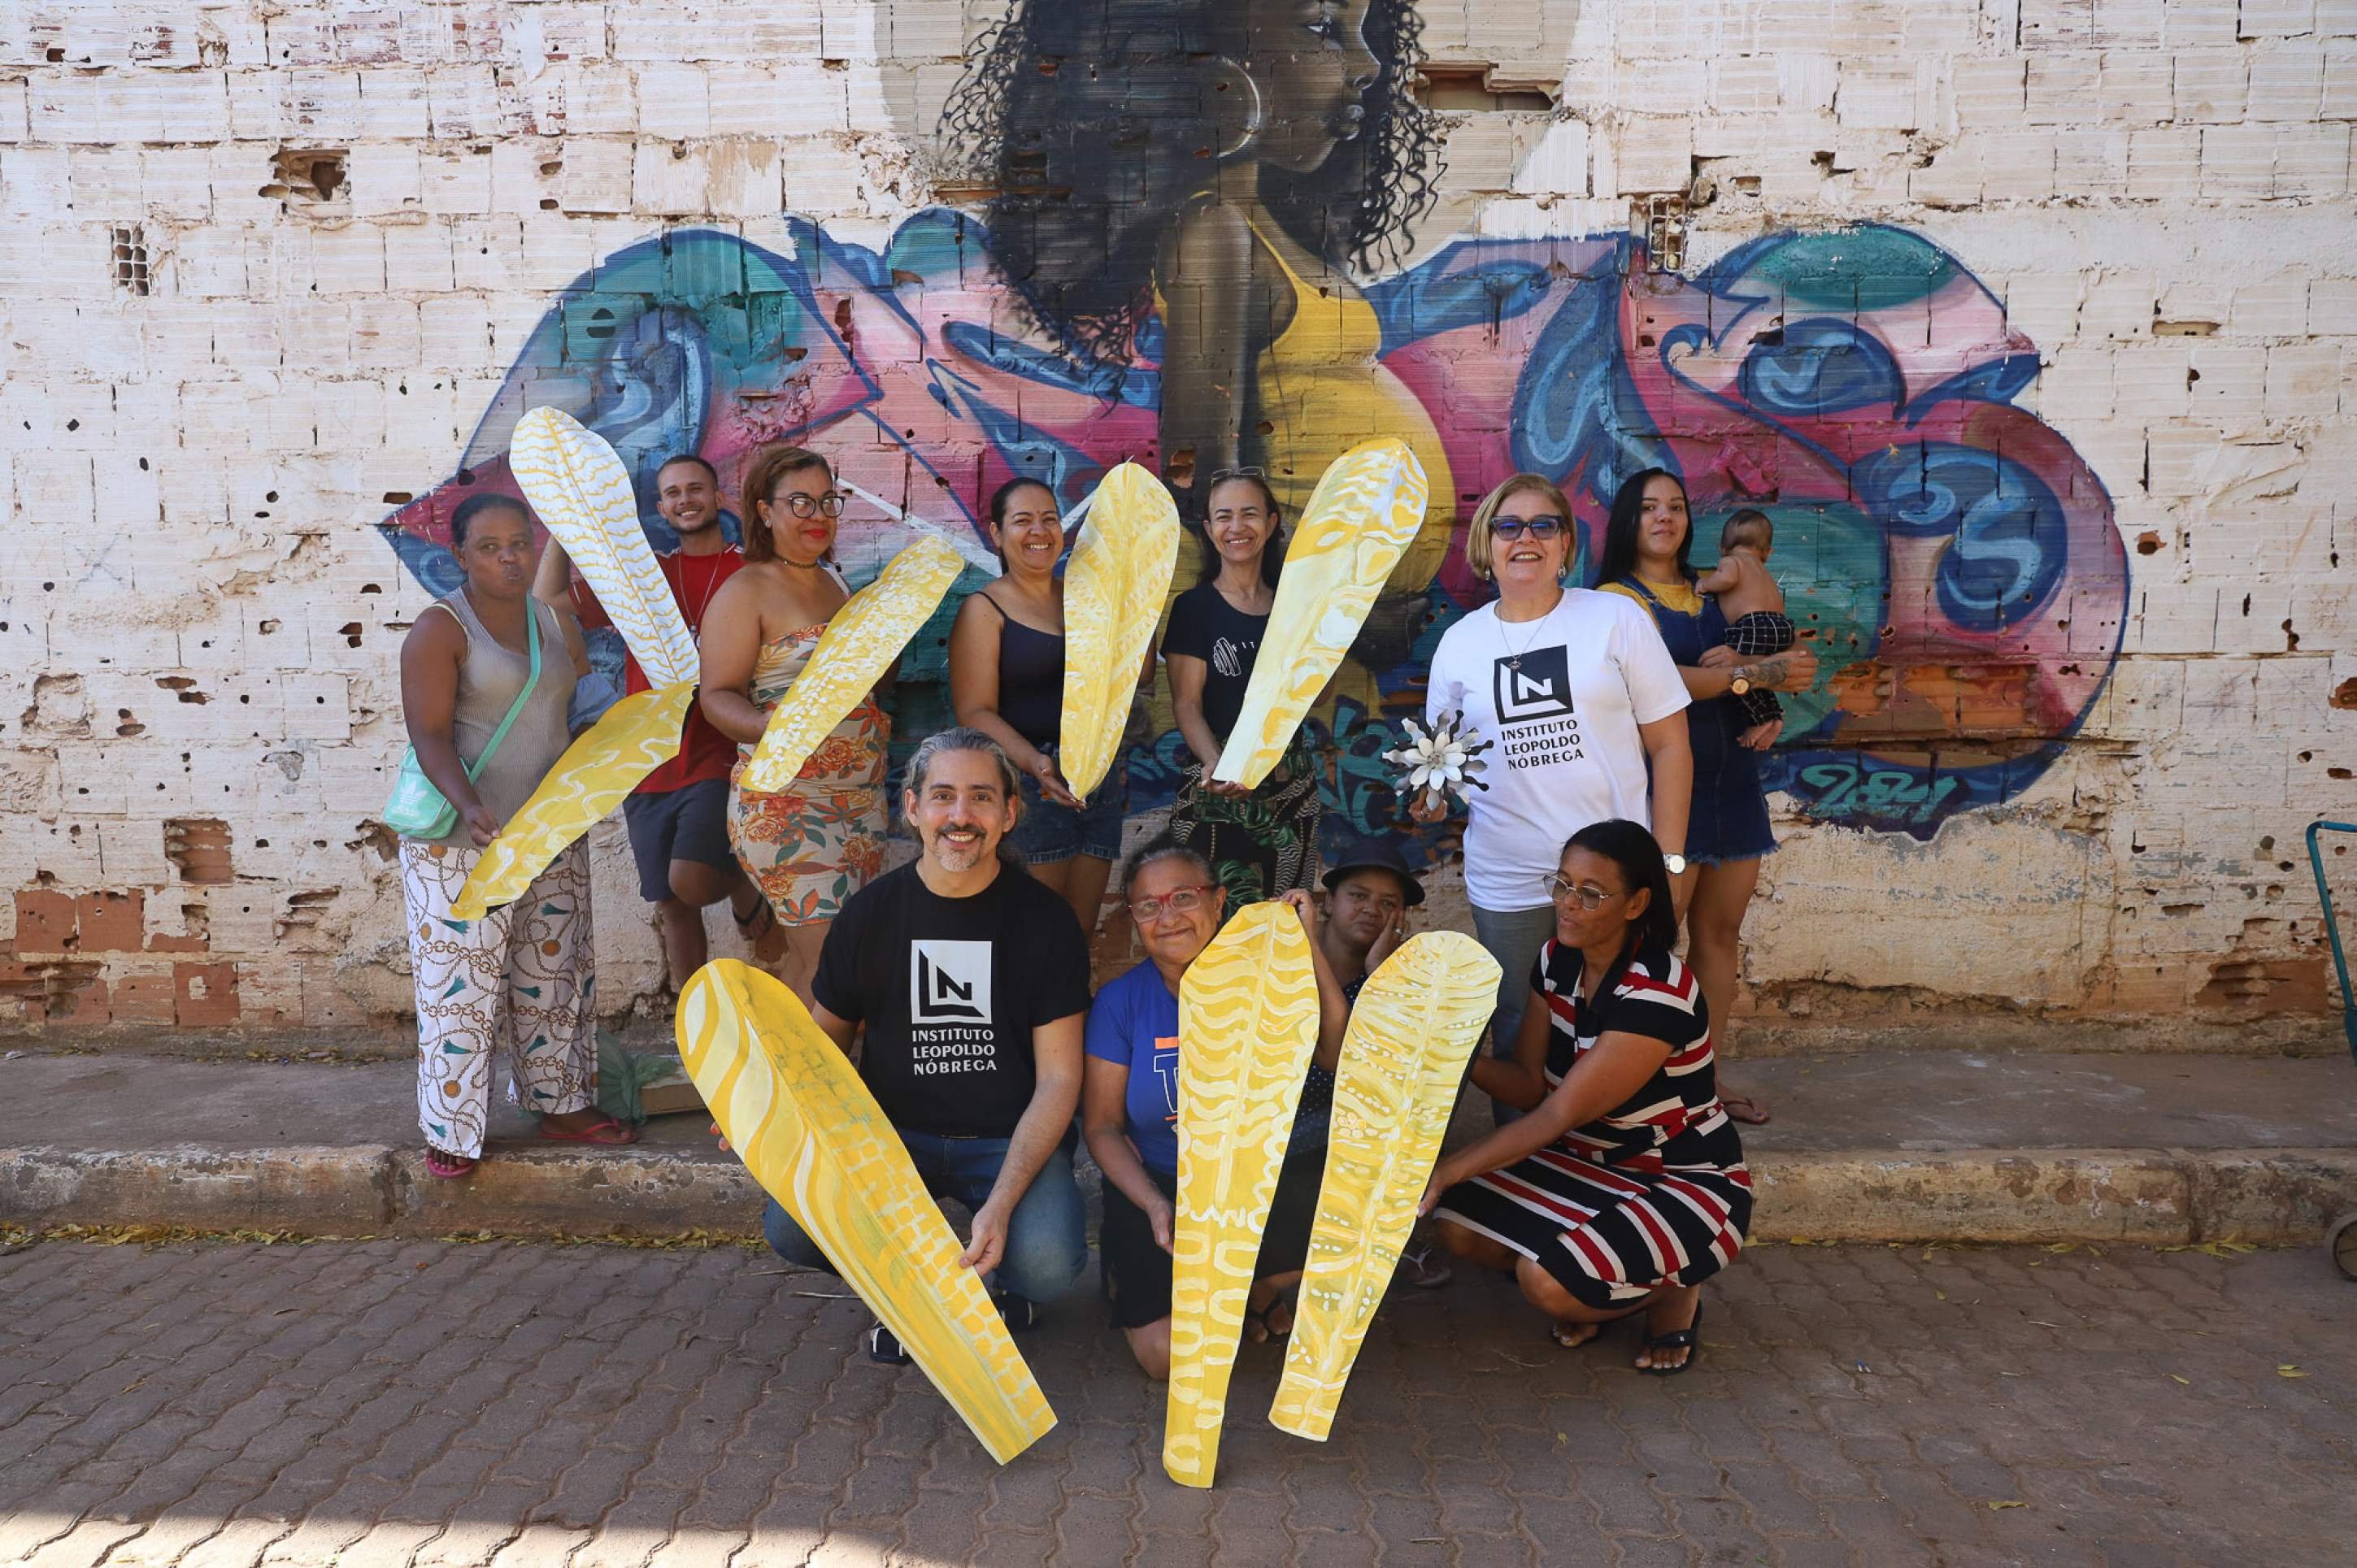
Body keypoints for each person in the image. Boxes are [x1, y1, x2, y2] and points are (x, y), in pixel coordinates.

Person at [762, 728, 1091, 1362]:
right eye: (941, 796)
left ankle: (992, 1285)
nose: (960, 816)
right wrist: (756, 1112)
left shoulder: (1045, 922)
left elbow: (1059, 1081)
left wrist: (999, 1204)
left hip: (1005, 1142)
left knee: (1046, 1263)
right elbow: (817, 1052)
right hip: (892, 1140)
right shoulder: (869, 914)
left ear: (1009, 813)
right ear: (912, 809)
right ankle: (918, 1296)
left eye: (980, 798)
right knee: (792, 1224)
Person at [1422, 820, 1750, 1375]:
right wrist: (1449, 1057)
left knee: (1544, 1281)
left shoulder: (1657, 992)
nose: (1568, 904)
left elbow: (1555, 1113)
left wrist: (1447, 1169)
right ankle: (1597, 1287)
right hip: (1585, 1163)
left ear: (1636, 903)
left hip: (1682, 1178)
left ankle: (1673, 1293)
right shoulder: (1556, 960)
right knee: (1456, 1226)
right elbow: (1528, 1083)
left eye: (1590, 893)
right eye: (1563, 884)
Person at [1412, 473, 1694, 1118]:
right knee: (1517, 1025)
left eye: (1544, 525)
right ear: (1486, 545)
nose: (1525, 538)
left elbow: (1672, 747)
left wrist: (1670, 863)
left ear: (1566, 543)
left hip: (1611, 878)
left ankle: (1621, 1161)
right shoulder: (1460, 644)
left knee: (1625, 1016)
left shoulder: (1614, 619)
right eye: (1508, 526)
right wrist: (1430, 799)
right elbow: (1444, 765)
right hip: (1508, 876)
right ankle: (1527, 1178)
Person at [395, 493, 637, 1181]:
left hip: (547, 830)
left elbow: (576, 708)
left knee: (551, 975)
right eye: (490, 547)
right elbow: (430, 733)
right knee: (458, 987)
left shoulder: (553, 620)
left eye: (519, 544)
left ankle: (560, 1104)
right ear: (460, 556)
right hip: (459, 839)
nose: (508, 557)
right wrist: (470, 804)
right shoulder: (441, 629)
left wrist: (611, 750)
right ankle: (451, 1128)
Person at [1596, 470, 1818, 1125]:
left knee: (1719, 937)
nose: (1664, 518)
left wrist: (1763, 689)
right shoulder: (1614, 600)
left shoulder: (1708, 589)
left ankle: (1701, 1085)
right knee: (1653, 948)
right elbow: (1659, 684)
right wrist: (1755, 676)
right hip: (1668, 794)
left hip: (1733, 784)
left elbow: (1784, 657)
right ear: (1625, 521)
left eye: (1675, 506)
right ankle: (1635, 1089)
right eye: (1648, 508)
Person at [1082, 836, 1346, 1377]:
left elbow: (1335, 1052)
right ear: (1133, 916)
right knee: (1167, 1359)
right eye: (1148, 905)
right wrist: (1155, 1203)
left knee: (1344, 1212)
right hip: (1161, 1185)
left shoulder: (1264, 981)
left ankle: (1253, 1285)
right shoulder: (1121, 1001)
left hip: (1254, 1182)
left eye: (1183, 896)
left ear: (1218, 900)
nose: (1168, 916)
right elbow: (1103, 1127)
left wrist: (1307, 945)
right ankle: (1160, 1274)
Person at [533, 454, 776, 992]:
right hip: (646, 760)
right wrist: (560, 524)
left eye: (696, 488)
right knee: (670, 903)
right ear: (661, 508)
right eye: (672, 493)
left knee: (687, 880)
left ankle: (737, 876)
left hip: (721, 749)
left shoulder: (750, 571)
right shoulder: (645, 580)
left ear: (718, 497)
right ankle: (694, 1022)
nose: (685, 499)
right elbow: (548, 597)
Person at [698, 445, 889, 1006]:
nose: (818, 515)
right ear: (764, 512)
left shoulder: (836, 583)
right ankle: (798, 1089)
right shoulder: (746, 590)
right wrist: (766, 726)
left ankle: (775, 1077)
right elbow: (714, 695)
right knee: (831, 963)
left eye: (828, 500)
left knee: (831, 960)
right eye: (800, 501)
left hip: (858, 806)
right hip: (787, 807)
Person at [948, 476, 1142, 939]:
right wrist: (1035, 764)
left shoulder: (1086, 600)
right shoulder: (984, 609)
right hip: (1033, 786)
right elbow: (974, 712)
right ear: (996, 534)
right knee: (1034, 936)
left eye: (1049, 519)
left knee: (1078, 936)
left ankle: (1071, 1011)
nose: (1039, 531)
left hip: (1096, 783)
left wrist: (1134, 603)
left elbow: (1139, 677)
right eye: (1023, 521)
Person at [1163, 469, 1321, 906]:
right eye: (1224, 517)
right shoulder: (1194, 608)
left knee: (1285, 921)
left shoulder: (1295, 606)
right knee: (1210, 921)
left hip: (1292, 788)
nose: (1237, 528)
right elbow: (1186, 704)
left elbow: (1316, 697)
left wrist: (1325, 645)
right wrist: (1221, 762)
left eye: (1249, 514)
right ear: (1210, 529)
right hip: (1219, 789)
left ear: (1270, 524)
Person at [1314, 836, 1455, 1290]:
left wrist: (1381, 976)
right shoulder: (1288, 963)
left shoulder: (1403, 982)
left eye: (1387, 903)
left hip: (1359, 1131)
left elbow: (1390, 1075)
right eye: (1357, 896)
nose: (1371, 910)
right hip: (1287, 1126)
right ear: (1329, 902)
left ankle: (1389, 1241)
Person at [1693, 508, 1794, 732]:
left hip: (1752, 625)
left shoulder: (1732, 561)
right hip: (1780, 627)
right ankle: (1773, 717)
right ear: (1767, 552)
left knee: (1735, 672)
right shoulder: (1762, 570)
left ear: (1722, 549)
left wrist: (1705, 584)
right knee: (1758, 674)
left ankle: (1759, 720)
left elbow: (1726, 579)